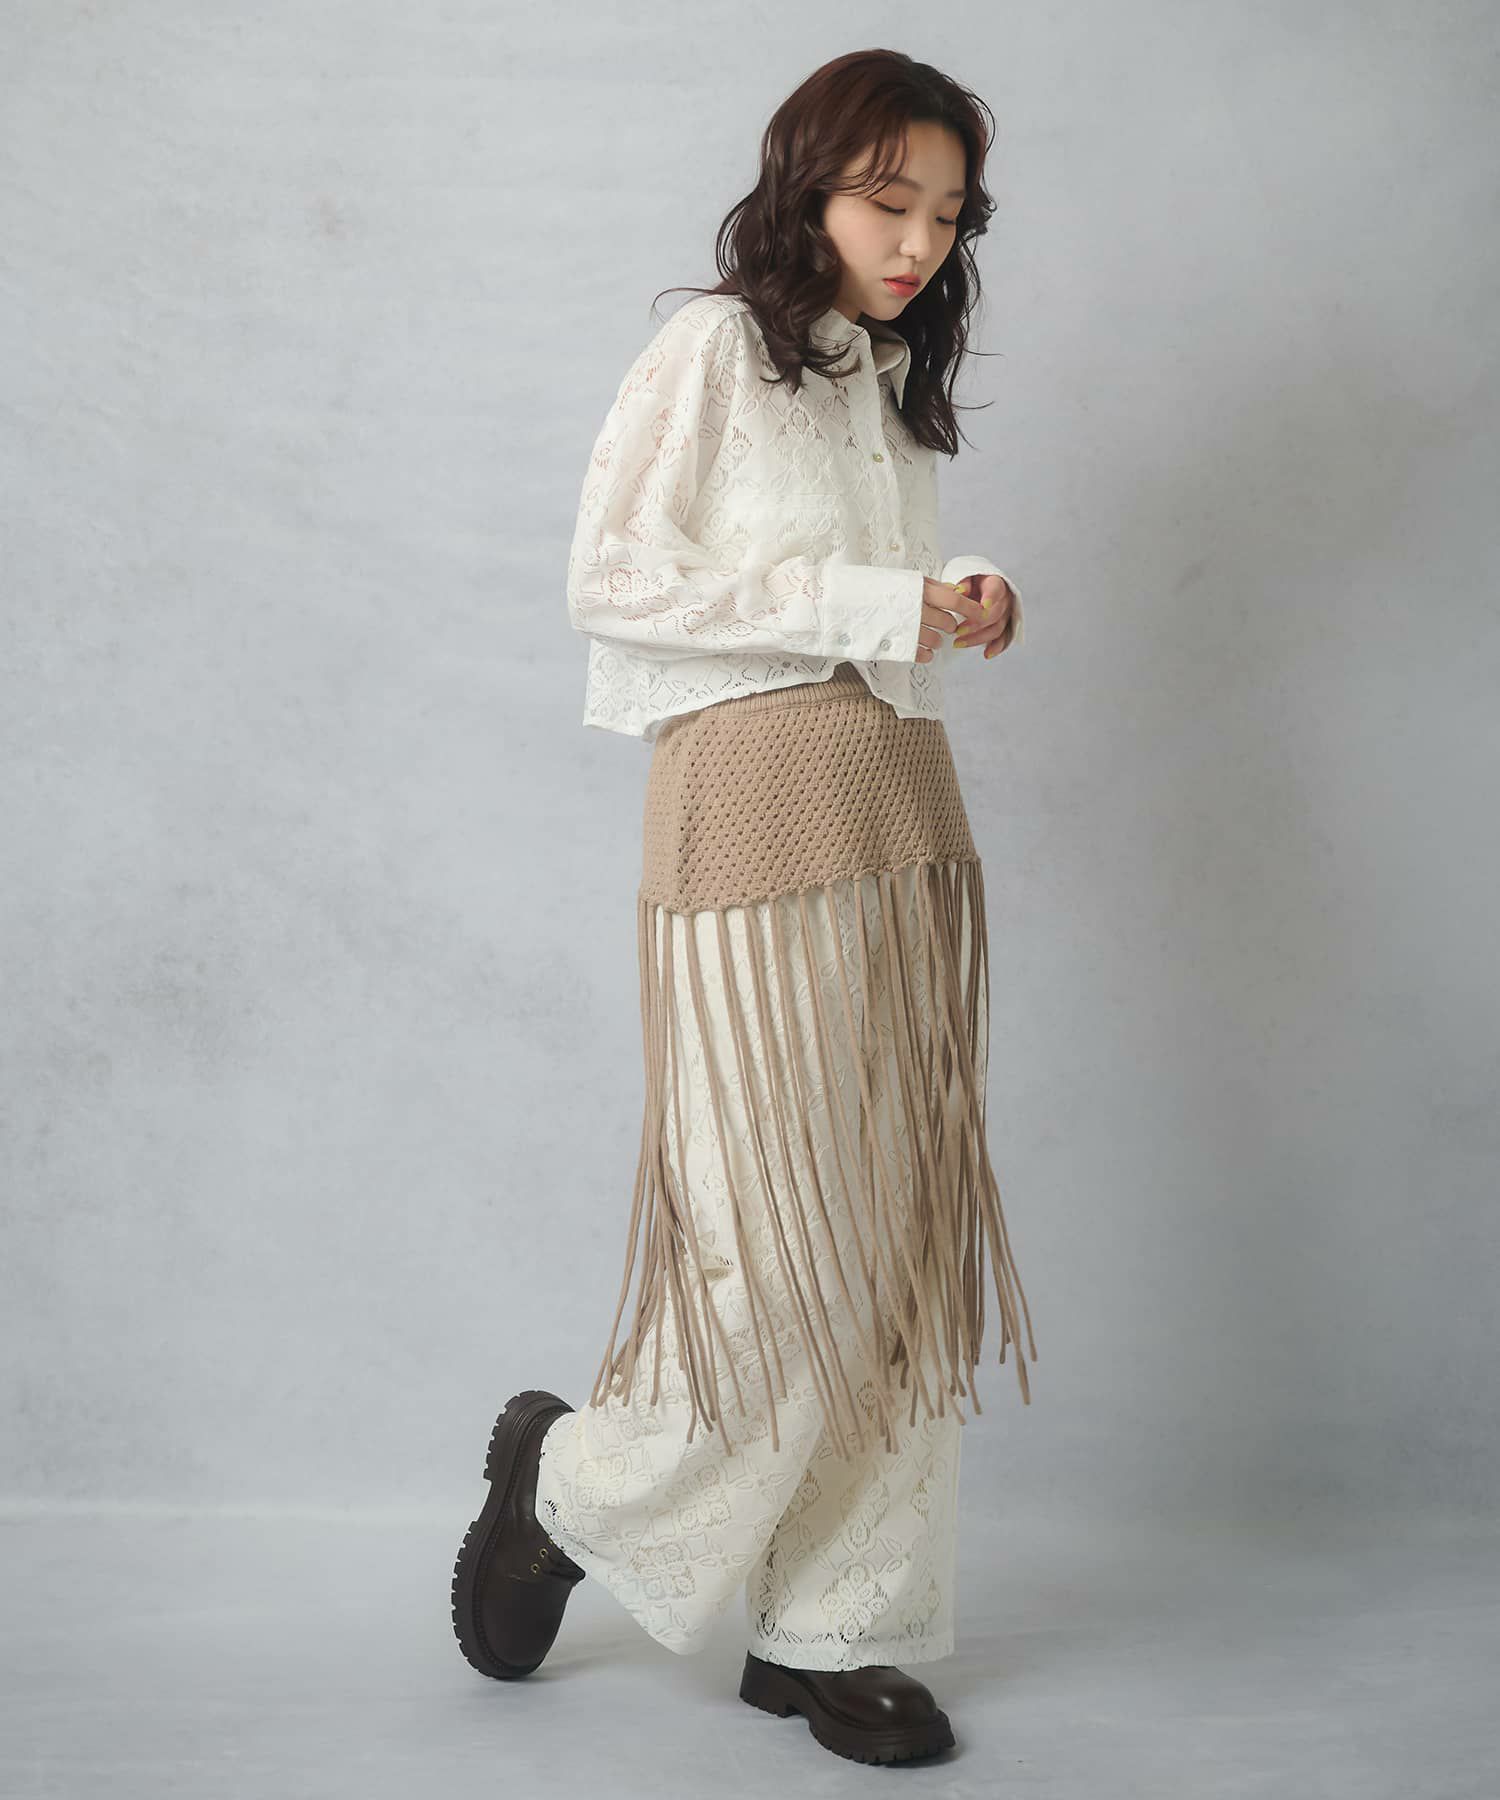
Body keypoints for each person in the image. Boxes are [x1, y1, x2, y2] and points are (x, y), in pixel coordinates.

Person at [451, 47, 1039, 1767]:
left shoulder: (886, 375)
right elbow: (616, 575)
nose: (917, 241)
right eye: (886, 200)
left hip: (897, 807)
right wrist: (876, 600)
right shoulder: (716, 347)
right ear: (807, 187)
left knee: (898, 1238)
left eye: (947, 214)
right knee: (776, 1233)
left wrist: (958, 595)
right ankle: (571, 1484)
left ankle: (835, 1627)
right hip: (752, 809)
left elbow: (863, 601)